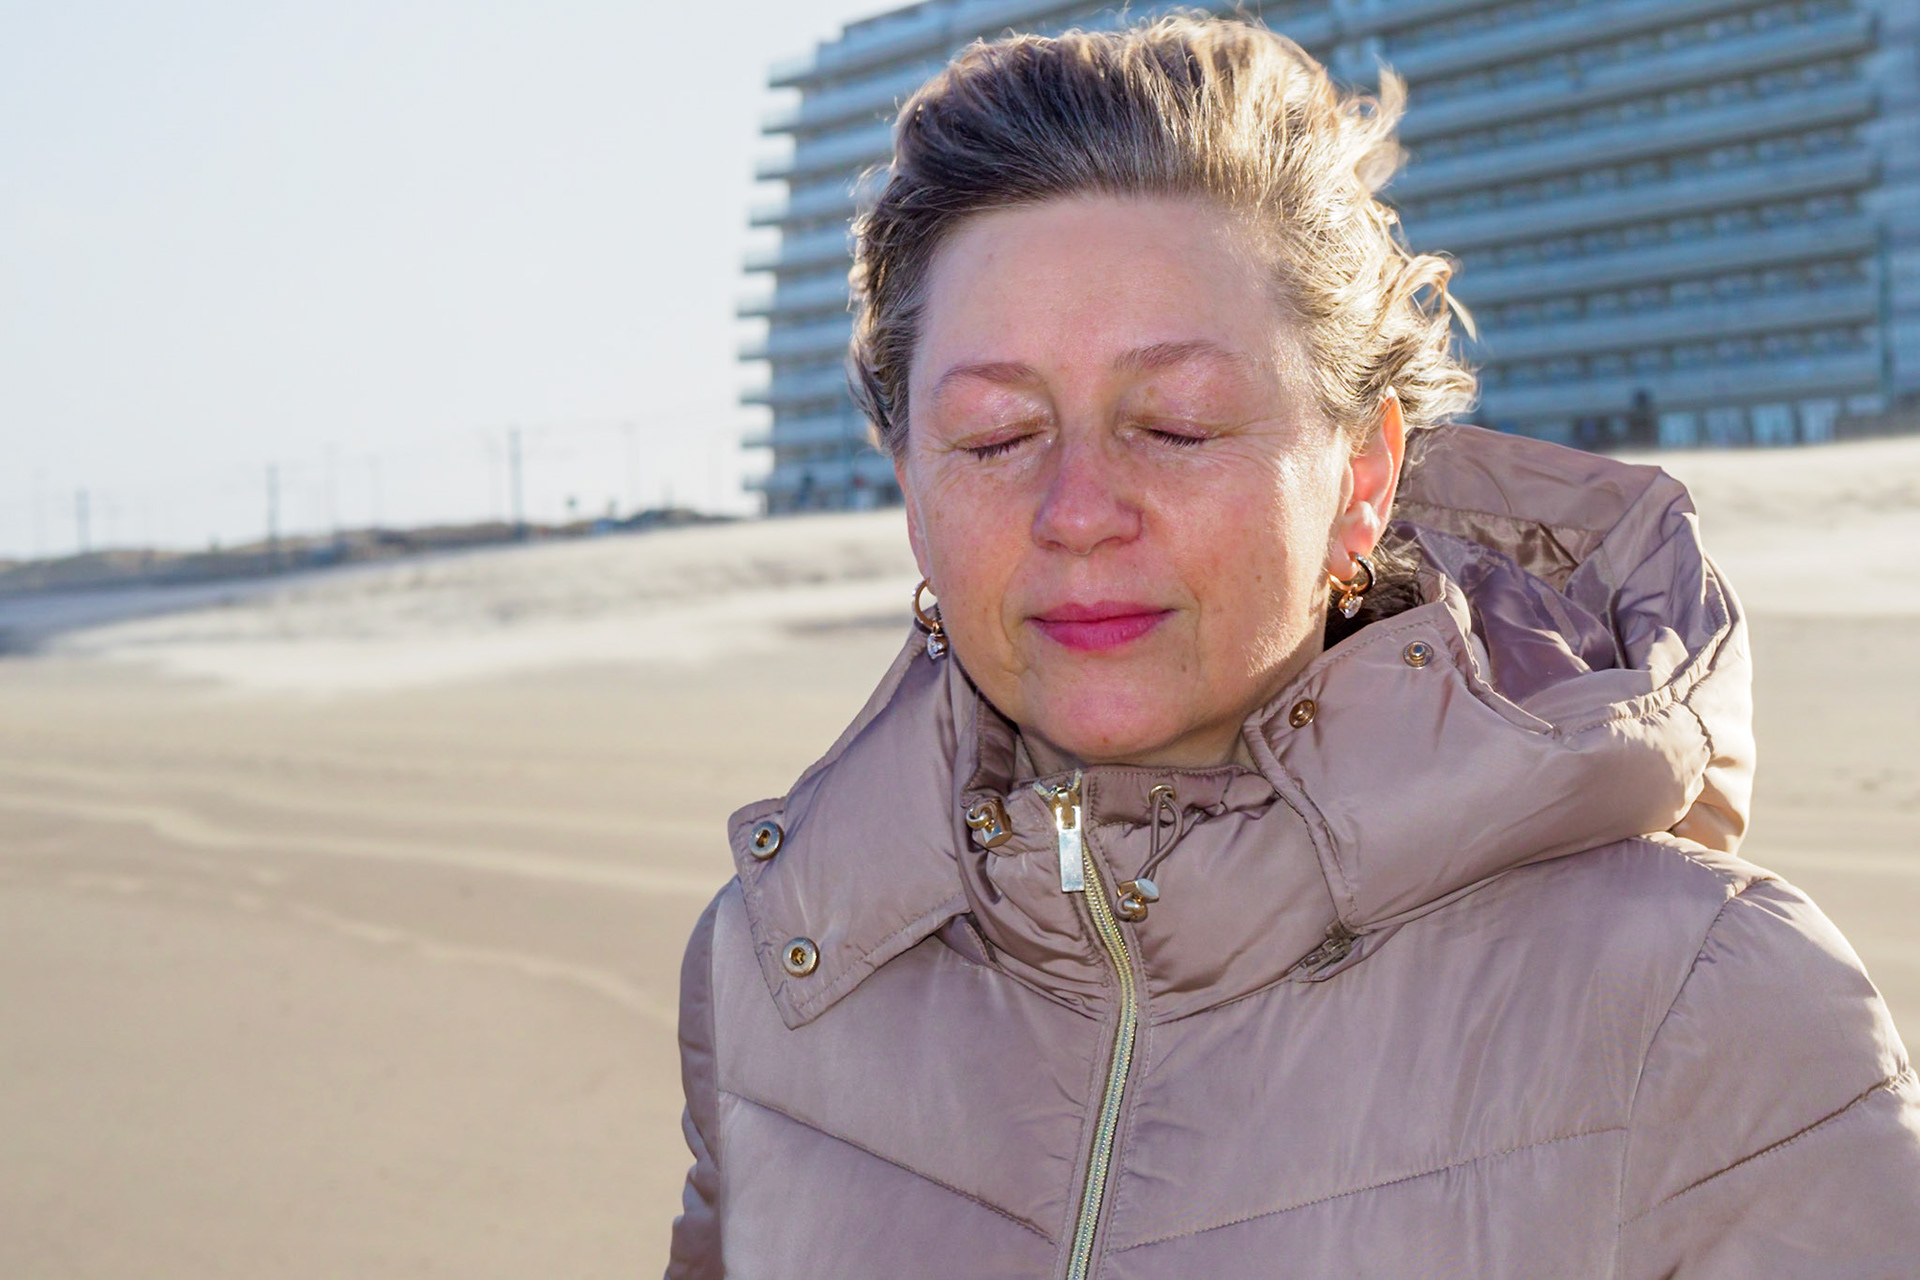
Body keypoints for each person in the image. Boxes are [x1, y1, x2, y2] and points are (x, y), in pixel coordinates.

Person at [667, 17, 1920, 1277]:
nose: (1079, 512)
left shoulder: (1707, 1001)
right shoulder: (781, 970)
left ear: (1364, 472)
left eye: (1178, 423)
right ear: (910, 484)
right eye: (995, 437)